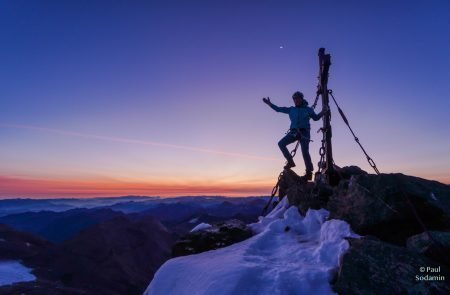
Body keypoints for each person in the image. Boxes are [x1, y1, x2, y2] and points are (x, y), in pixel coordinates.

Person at [262, 91, 327, 180]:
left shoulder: (308, 109)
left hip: (304, 132)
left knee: (305, 152)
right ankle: (290, 161)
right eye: (294, 99)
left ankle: (309, 172)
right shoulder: (291, 109)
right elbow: (278, 109)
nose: (296, 101)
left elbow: (315, 118)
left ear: (301, 99)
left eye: (297, 98)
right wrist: (269, 104)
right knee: (281, 144)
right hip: (293, 132)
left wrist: (323, 112)